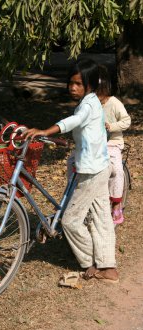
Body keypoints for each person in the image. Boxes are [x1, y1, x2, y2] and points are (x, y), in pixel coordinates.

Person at [23, 58, 118, 283]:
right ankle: (109, 268)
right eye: (71, 83)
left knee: (70, 221)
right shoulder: (93, 101)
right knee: (101, 217)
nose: (72, 88)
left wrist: (46, 131)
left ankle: (90, 262)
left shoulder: (87, 105)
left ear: (91, 85)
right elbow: (87, 130)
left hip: (91, 171)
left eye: (78, 84)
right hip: (99, 166)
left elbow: (75, 120)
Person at [97, 65, 131, 224]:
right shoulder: (90, 104)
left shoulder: (114, 103)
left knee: (116, 170)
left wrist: (111, 126)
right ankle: (69, 199)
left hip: (112, 144)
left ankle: (116, 204)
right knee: (72, 162)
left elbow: (126, 121)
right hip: (94, 144)